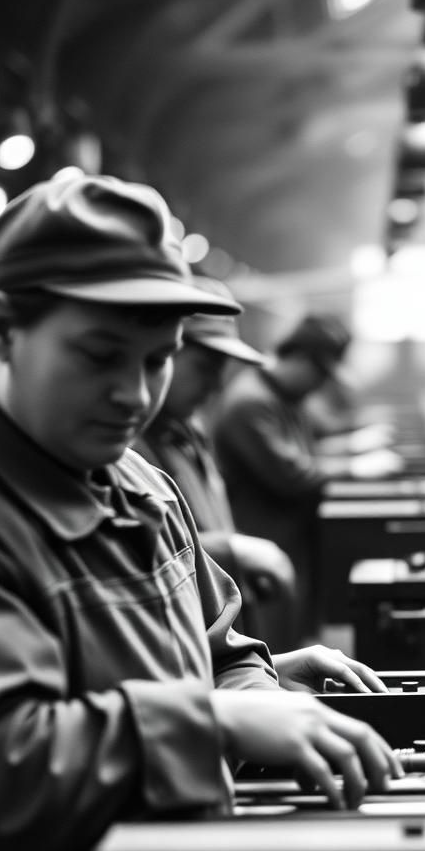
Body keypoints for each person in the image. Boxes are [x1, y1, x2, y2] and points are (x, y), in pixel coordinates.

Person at [0, 173, 401, 851]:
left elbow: (220, 652)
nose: (135, 394)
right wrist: (214, 725)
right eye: (100, 355)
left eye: (158, 360)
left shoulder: (140, 483)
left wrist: (260, 690)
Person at [212, 313, 403, 639]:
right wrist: (355, 467)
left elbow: (310, 448)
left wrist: (351, 449)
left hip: (290, 535)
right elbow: (292, 475)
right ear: (299, 358)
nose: (320, 385)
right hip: (263, 539)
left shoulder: (282, 397)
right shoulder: (251, 403)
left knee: (293, 632)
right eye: (319, 374)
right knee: (270, 642)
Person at [134, 276, 299, 651]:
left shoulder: (188, 430)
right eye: (205, 367)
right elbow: (140, 547)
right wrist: (231, 550)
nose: (215, 386)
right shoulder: (126, 446)